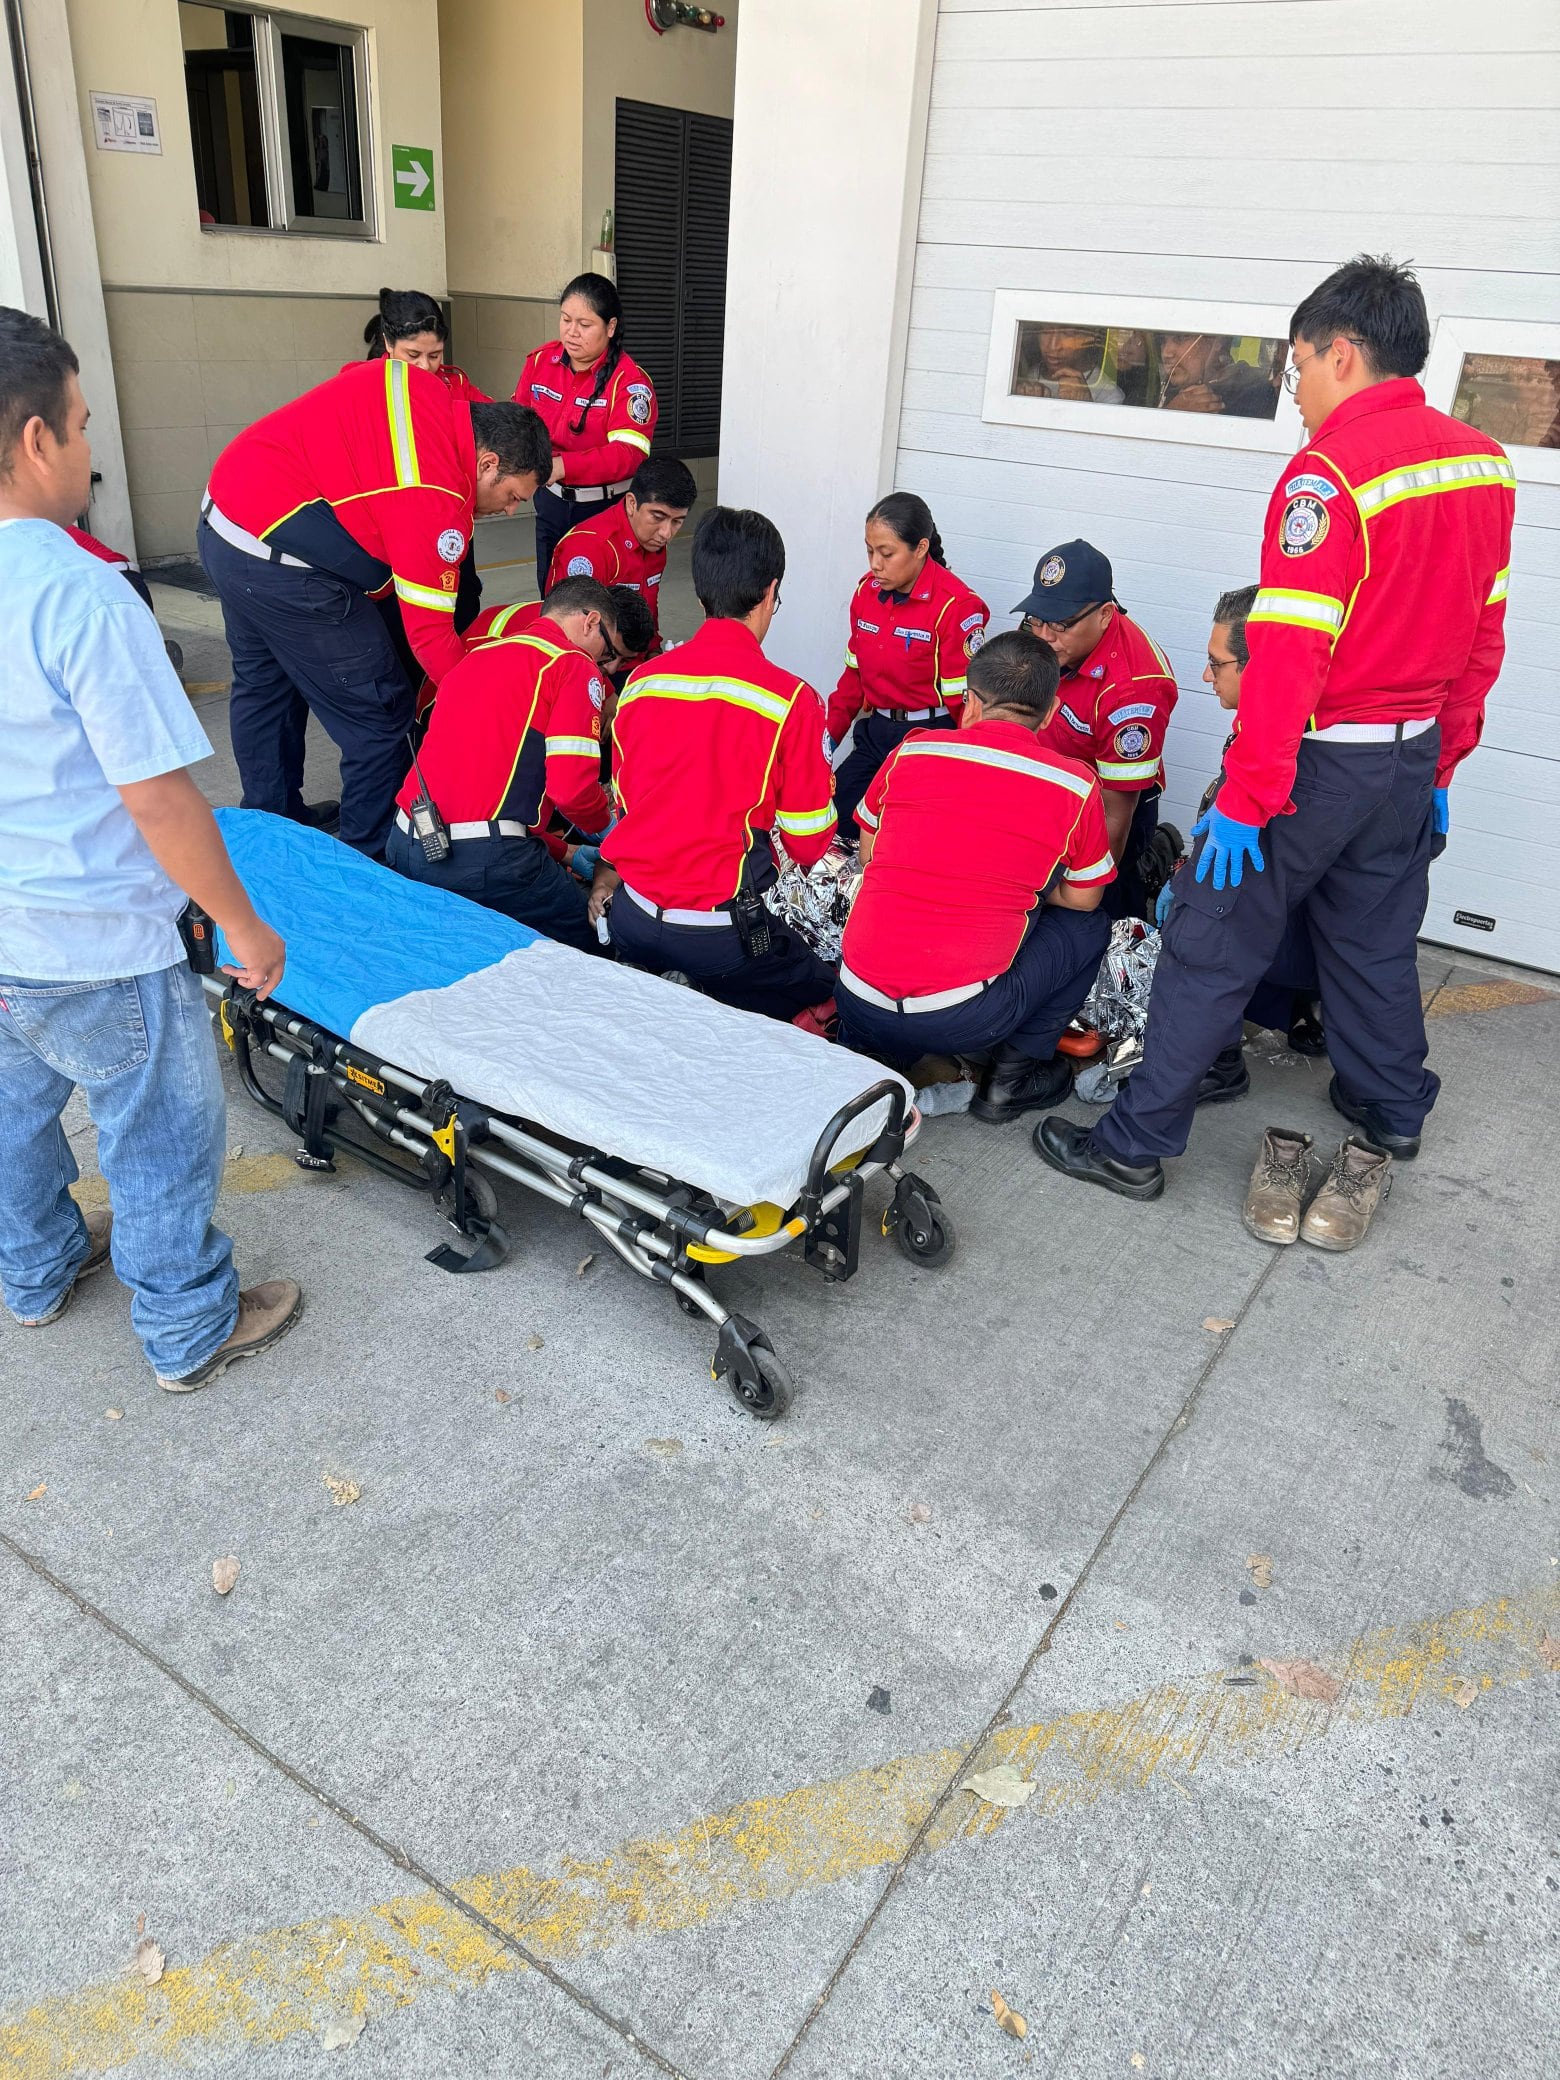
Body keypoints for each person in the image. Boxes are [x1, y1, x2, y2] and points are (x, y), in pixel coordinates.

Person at [1038, 255, 1516, 1213]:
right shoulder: (1484, 462)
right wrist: (1443, 765)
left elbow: (1289, 657)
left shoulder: (1328, 475)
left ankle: (1134, 1145)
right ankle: (1391, 1107)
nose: (1295, 391)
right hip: (1409, 757)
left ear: (1343, 352)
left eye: (1297, 367)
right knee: (1375, 937)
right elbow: (1483, 632)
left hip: (1319, 764)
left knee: (1209, 941)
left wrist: (1249, 799)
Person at [0, 305, 300, 1391]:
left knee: (11, 1120)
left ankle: (34, 1272)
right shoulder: (81, 592)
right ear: (37, 439)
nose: (90, 448)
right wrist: (242, 924)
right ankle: (186, 1328)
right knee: (161, 1135)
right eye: (81, 424)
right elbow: (162, 800)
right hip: (102, 940)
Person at [200, 363, 550, 857]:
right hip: (286, 565)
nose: (511, 510)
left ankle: (271, 826)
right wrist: (491, 712)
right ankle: (370, 859)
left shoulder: (422, 385)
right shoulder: (436, 497)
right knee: (380, 716)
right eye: (513, 495)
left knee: (265, 686)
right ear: (488, 463)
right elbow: (430, 638)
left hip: (227, 520)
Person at [836, 629, 1113, 1122]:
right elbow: (1085, 898)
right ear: (1051, 712)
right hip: (963, 1021)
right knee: (1088, 927)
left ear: (970, 702)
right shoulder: (1074, 784)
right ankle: (1011, 1078)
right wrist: (1020, 892)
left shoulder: (912, 751)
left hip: (856, 998)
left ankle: (872, 1055)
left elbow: (870, 853)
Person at [591, 506, 839, 1021]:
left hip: (633, 916)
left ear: (701, 592)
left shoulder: (640, 684)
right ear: (771, 592)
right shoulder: (792, 701)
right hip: (722, 938)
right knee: (825, 984)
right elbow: (808, 843)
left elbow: (624, 802)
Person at [384, 576, 624, 952]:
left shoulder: (477, 656)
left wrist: (566, 852)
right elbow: (571, 790)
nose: (605, 666)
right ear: (590, 622)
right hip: (485, 863)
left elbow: (484, 796)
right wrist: (609, 830)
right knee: (599, 938)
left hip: (405, 841)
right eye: (607, 652)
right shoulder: (572, 665)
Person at [1187, 584, 1325, 1104]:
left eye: (1216, 664)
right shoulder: (1309, 726)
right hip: (1307, 948)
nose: (1207, 677)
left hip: (1280, 941)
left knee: (1194, 931)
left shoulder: (1277, 747)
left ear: (1259, 667)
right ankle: (1304, 1010)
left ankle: (1217, 1062)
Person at [1013, 539, 1177, 921]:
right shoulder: (1047, 632)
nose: (1044, 635)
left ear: (1104, 615)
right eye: (1038, 618)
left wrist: (1085, 894)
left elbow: (1114, 815)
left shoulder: (1134, 691)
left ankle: (1147, 868)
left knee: (1103, 913)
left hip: (1104, 806)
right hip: (1049, 786)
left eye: (1060, 624)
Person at [826, 493, 989, 840]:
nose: (875, 564)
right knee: (835, 822)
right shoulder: (866, 594)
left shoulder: (956, 607)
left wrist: (966, 778)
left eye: (886, 554)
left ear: (920, 548)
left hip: (929, 739)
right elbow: (853, 681)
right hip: (877, 733)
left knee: (903, 836)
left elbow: (967, 706)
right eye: (870, 551)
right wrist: (825, 744)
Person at [514, 273, 658, 587]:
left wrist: (564, 465)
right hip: (550, 504)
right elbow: (518, 423)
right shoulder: (541, 362)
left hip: (604, 510)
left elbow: (628, 455)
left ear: (610, 327)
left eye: (585, 324)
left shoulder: (629, 382)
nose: (572, 332)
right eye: (566, 319)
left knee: (597, 601)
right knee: (551, 595)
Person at [362, 287, 489, 641]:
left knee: (462, 607)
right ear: (388, 344)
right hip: (395, 531)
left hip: (449, 525)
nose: (424, 366)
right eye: (413, 355)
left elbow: (492, 424)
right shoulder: (364, 386)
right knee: (402, 624)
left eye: (435, 355)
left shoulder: (454, 384)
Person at [545, 453, 697, 656]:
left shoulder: (654, 543)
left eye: (677, 521)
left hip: (632, 657)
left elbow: (648, 607)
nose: (666, 533)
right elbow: (567, 637)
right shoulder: (589, 549)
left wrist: (653, 652)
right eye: (657, 517)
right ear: (632, 503)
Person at [1157, 332, 1277, 419]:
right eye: (1162, 341)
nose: (1166, 353)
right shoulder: (1161, 389)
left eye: (1180, 338)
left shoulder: (1253, 394)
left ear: (1216, 341)